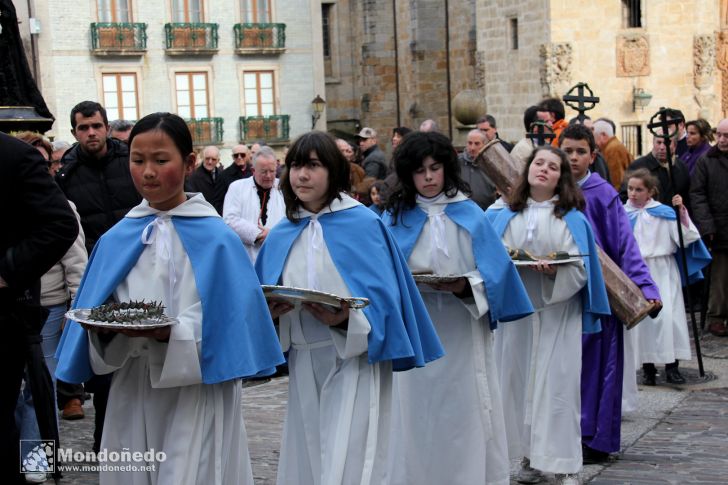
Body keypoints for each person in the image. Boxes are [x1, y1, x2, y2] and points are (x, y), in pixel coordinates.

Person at [55, 112, 284, 485]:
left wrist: (173, 333)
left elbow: (231, 318)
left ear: (189, 163)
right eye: (137, 160)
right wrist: (106, 327)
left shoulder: (218, 237)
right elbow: (100, 311)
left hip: (198, 386)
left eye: (161, 161)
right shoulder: (118, 237)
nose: (147, 172)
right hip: (133, 384)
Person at [254, 131, 444, 485]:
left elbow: (386, 301)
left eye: (313, 166)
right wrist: (271, 312)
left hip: (353, 360)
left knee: (352, 458)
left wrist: (347, 320)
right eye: (295, 165)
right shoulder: (283, 231)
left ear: (334, 171)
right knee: (309, 454)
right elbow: (259, 301)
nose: (301, 175)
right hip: (303, 358)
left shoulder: (362, 224)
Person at [383, 131, 533, 485]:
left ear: (447, 169)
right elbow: (381, 276)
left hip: (462, 329)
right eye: (420, 171)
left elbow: (496, 276)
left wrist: (465, 286)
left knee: (463, 411)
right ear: (408, 175)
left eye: (435, 168)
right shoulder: (395, 218)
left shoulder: (470, 215)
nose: (429, 177)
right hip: (417, 330)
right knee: (415, 413)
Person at [490, 145, 610, 485]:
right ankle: (527, 457)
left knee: (557, 388)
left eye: (552, 167)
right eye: (538, 163)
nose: (543, 169)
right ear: (527, 171)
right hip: (518, 314)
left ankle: (563, 464)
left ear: (561, 178)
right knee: (515, 383)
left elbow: (580, 267)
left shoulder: (571, 218)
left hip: (558, 313)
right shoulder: (503, 214)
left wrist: (554, 273)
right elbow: (490, 259)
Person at [558, 123, 661, 464]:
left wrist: (645, 288)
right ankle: (558, 436)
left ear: (593, 155)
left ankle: (594, 439)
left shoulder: (602, 195)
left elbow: (625, 245)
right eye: (568, 151)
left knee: (597, 369)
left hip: (598, 297)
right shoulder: (547, 193)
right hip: (558, 298)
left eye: (580, 152)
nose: (573, 158)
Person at [56, 100, 142, 445]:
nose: (91, 132)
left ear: (106, 127)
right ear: (74, 132)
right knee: (106, 361)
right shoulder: (68, 173)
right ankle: (105, 437)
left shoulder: (131, 161)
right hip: (98, 278)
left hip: (139, 269)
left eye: (96, 125)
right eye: (82, 127)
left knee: (145, 354)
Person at [1, 132, 79, 485]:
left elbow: (61, 225)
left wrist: (6, 272)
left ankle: (33, 459)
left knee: (34, 392)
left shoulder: (13, 156)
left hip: (14, 313)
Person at [623, 169, 710, 390]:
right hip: (637, 271)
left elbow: (685, 238)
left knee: (667, 318)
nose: (633, 193)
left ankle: (672, 366)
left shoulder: (663, 213)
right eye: (630, 188)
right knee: (642, 321)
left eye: (639, 189)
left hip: (663, 269)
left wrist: (681, 213)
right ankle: (648, 368)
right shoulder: (623, 214)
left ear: (651, 191)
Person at [691, 118, 728, 337]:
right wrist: (707, 225)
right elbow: (697, 194)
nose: (723, 140)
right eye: (720, 135)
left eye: (727, 136)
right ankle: (717, 316)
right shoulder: (706, 161)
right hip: (718, 227)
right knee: (720, 277)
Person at [223, 146, 285, 262]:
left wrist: (273, 234)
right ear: (253, 170)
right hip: (246, 259)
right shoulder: (237, 187)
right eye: (263, 172)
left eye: (272, 171)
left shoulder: (284, 188)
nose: (268, 176)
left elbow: (292, 220)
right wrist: (258, 234)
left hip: (277, 257)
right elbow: (229, 220)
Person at [621, 135, 691, 210]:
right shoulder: (638, 166)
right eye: (659, 142)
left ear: (675, 145)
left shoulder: (682, 167)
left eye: (667, 143)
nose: (662, 147)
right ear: (653, 143)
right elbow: (624, 197)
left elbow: (688, 198)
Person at [457, 129, 497, 209]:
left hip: (487, 212)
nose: (472, 148)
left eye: (477, 144)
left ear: (484, 145)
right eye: (470, 143)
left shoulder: (492, 164)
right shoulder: (457, 162)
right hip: (462, 211)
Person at [210, 144, 253, 215]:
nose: (239, 157)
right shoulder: (223, 175)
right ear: (233, 157)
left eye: (242, 155)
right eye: (236, 155)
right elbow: (218, 201)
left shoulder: (253, 173)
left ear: (248, 156)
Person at [593, 119, 632, 189]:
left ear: (603, 135)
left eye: (594, 137)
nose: (593, 141)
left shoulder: (613, 149)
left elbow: (616, 182)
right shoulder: (613, 146)